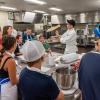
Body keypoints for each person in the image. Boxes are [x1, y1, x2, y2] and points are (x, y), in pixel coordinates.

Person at [0, 36, 18, 100]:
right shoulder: (10, 60)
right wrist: (21, 76)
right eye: (16, 44)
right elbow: (14, 82)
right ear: (13, 46)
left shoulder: (3, 55)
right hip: (8, 89)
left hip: (3, 87)